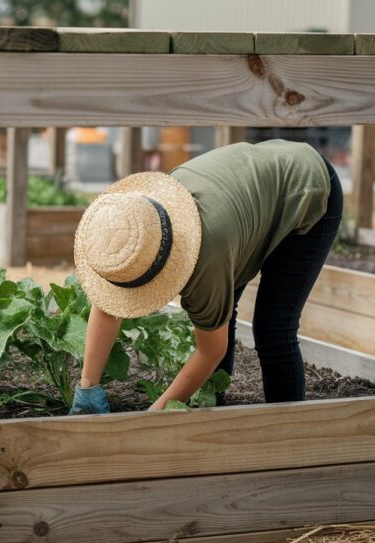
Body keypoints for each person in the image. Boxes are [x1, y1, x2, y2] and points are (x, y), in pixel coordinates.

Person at [69, 139, 343, 414]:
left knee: (273, 327)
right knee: (223, 306)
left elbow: (211, 351)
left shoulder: (204, 260)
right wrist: (88, 386)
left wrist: (155, 415)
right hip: (248, 193)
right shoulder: (129, 232)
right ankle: (215, 404)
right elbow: (108, 307)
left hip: (307, 185)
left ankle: (289, 431)